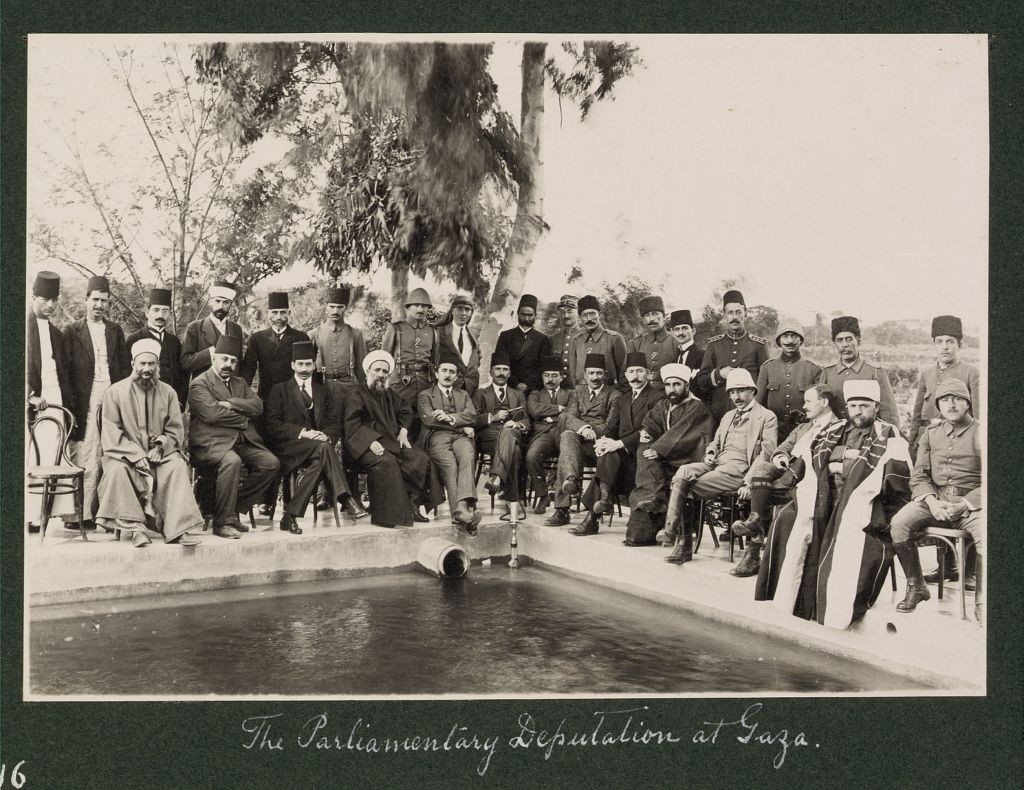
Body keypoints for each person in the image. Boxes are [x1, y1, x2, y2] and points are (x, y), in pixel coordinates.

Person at [754, 380, 911, 630]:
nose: (858, 411)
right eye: (853, 405)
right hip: (824, 495)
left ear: (876, 406)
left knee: (851, 530)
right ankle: (800, 603)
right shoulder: (833, 429)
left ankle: (833, 608)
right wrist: (846, 460)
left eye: (864, 406)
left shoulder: (888, 434)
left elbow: (893, 478)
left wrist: (841, 464)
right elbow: (808, 459)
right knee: (788, 519)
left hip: (867, 501)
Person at [655, 368, 777, 567]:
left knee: (685, 487)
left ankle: (682, 543)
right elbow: (715, 443)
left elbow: (767, 453)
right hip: (716, 465)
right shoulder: (728, 415)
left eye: (740, 391)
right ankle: (672, 531)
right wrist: (711, 452)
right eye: (731, 392)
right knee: (683, 473)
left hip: (739, 471)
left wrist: (749, 481)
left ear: (752, 391)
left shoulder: (766, 417)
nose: (735, 396)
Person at [93, 339, 204, 547]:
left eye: (151, 364)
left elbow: (175, 429)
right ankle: (137, 528)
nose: (147, 369)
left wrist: (161, 446)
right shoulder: (115, 392)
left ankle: (177, 529)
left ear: (158, 365)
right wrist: (136, 455)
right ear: (133, 363)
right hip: (124, 455)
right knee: (117, 470)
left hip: (158, 456)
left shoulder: (168, 392)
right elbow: (110, 433)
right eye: (142, 363)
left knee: (177, 466)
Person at [889, 379, 983, 622]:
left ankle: (983, 602)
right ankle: (917, 587)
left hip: (973, 503)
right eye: (944, 400)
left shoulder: (983, 432)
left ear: (967, 403)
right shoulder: (931, 434)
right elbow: (919, 474)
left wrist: (965, 504)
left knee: (987, 533)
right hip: (936, 497)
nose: (951, 405)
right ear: (938, 405)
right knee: (900, 523)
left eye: (957, 399)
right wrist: (931, 502)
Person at [907, 315, 981, 585]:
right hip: (931, 442)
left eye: (950, 341)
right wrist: (913, 442)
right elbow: (918, 412)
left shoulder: (971, 372)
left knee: (964, 491)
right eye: (940, 342)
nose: (945, 347)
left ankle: (970, 571)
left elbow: (979, 413)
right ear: (934, 344)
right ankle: (945, 567)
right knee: (936, 492)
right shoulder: (927, 373)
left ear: (959, 345)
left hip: (963, 440)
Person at [263, 341, 366, 534]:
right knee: (324, 450)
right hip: (290, 449)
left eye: (308, 364)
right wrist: (304, 433)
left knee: (320, 460)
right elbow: (273, 425)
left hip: (317, 450)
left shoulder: (323, 391)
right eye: (300, 364)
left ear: (314, 365)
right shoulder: (280, 390)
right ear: (292, 365)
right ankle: (345, 498)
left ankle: (290, 516)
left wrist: (325, 435)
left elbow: (335, 423)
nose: (304, 369)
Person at [187, 334, 280, 539]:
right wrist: (243, 419)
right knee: (232, 462)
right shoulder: (199, 384)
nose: (228, 364)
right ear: (214, 359)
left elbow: (258, 406)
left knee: (271, 463)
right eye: (224, 359)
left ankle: (234, 506)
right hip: (211, 443)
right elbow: (211, 414)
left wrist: (232, 404)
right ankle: (223, 523)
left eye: (233, 360)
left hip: (241, 441)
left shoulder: (239, 383)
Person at [62, 275, 132, 530]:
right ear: (86, 300)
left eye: (104, 301)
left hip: (111, 395)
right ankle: (79, 514)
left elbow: (124, 369)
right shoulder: (72, 331)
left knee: (110, 451)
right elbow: (65, 372)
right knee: (86, 453)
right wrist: (72, 407)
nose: (99, 305)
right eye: (95, 300)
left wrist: (122, 399)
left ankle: (108, 513)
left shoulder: (115, 331)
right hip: (85, 398)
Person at [343, 351, 443, 528]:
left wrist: (403, 430)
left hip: (389, 443)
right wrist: (369, 441)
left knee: (420, 459)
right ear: (367, 371)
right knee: (387, 462)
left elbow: (406, 410)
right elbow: (352, 425)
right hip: (363, 447)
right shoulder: (355, 394)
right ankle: (386, 516)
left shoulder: (388, 393)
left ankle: (412, 507)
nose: (381, 375)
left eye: (384, 371)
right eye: (377, 370)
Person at [570, 351, 664, 536]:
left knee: (609, 458)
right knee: (607, 454)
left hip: (642, 456)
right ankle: (603, 500)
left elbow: (649, 430)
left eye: (639, 371)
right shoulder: (624, 398)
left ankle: (594, 515)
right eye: (630, 372)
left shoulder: (657, 398)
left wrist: (618, 444)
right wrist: (603, 442)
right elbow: (611, 428)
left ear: (649, 373)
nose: (635, 377)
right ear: (626, 375)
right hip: (620, 457)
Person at [624, 363, 714, 545]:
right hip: (662, 460)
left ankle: (652, 497)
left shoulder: (697, 408)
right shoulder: (663, 405)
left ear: (687, 386)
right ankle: (650, 501)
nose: (671, 390)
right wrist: (647, 433)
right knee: (644, 447)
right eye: (668, 385)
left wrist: (658, 449)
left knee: (649, 455)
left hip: (686, 460)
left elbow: (684, 435)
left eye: (677, 385)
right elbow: (651, 422)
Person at [242, 292, 313, 515]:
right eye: (274, 312)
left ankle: (289, 503)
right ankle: (266, 501)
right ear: (268, 314)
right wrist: (246, 399)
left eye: (283, 312)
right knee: (268, 447)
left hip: (293, 400)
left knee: (289, 447)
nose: (279, 317)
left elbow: (309, 371)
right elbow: (248, 370)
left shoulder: (300, 337)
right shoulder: (257, 338)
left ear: (289, 313)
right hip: (265, 401)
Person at [543, 353, 620, 527]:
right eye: (591, 373)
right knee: (567, 435)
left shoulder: (613, 395)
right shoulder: (578, 393)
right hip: (579, 444)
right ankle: (570, 485)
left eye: (599, 373)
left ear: (605, 375)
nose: (595, 377)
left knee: (567, 444)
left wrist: (591, 430)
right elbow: (569, 416)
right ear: (585, 374)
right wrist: (584, 428)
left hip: (601, 446)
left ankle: (564, 506)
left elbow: (610, 426)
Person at [26, 271, 74, 529]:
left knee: (53, 455)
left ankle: (45, 514)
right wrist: (31, 396)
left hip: (56, 400)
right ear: (33, 297)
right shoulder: (21, 327)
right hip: (33, 403)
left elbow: (61, 371)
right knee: (34, 455)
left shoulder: (56, 333)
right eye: (45, 299)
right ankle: (30, 516)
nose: (50, 305)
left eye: (54, 299)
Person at [418, 351, 481, 534]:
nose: (448, 375)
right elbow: (429, 420)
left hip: (460, 436)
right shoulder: (425, 395)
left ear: (456, 376)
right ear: (436, 374)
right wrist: (461, 423)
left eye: (452, 372)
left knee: (468, 456)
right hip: (437, 437)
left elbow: (472, 415)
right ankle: (463, 510)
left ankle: (460, 511)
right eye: (444, 371)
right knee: (450, 465)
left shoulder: (463, 395)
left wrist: (449, 417)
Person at [693, 289, 770, 423]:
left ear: (745, 314)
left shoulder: (758, 345)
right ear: (725, 316)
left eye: (738, 312)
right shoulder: (714, 345)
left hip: (750, 413)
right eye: (730, 312)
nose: (734, 316)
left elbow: (767, 380)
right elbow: (702, 381)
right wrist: (719, 374)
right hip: (720, 412)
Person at [473, 351, 531, 518]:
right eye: (497, 369)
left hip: (513, 433)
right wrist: (492, 417)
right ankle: (512, 504)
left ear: (509, 373)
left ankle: (496, 477)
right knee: (515, 451)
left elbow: (527, 420)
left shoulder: (518, 394)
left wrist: (517, 424)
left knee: (509, 434)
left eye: (505, 369)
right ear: (490, 372)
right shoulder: (481, 393)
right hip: (489, 436)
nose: (501, 373)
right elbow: (473, 419)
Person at [821, 315, 899, 428]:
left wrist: (891, 438)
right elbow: (821, 409)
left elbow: (888, 413)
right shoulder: (827, 372)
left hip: (867, 436)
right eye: (839, 340)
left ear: (858, 342)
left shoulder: (874, 371)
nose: (844, 345)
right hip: (834, 436)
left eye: (849, 339)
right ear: (835, 344)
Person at [382, 287, 437, 440]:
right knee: (398, 420)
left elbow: (435, 359)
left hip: (425, 382)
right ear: (408, 307)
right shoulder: (396, 328)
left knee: (422, 423)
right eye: (416, 305)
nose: (420, 309)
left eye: (424, 305)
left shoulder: (432, 332)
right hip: (401, 382)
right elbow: (384, 359)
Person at [755, 321, 824, 442]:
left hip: (804, 431)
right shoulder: (767, 368)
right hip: (773, 430)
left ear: (801, 340)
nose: (790, 341)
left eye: (794, 336)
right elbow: (758, 405)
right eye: (785, 336)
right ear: (778, 340)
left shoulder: (814, 369)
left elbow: (820, 406)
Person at [524, 355, 574, 514]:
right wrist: (559, 409)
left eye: (554, 375)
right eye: (546, 375)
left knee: (568, 458)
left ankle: (564, 502)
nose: (550, 379)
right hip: (543, 434)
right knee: (531, 456)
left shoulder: (571, 393)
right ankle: (543, 495)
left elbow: (571, 411)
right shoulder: (535, 394)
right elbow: (533, 410)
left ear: (561, 377)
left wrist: (546, 414)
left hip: (564, 433)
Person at [126, 287, 188, 411]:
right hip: (141, 404)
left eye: (165, 311)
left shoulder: (174, 342)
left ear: (170, 313)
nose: (160, 315)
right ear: (147, 312)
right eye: (156, 310)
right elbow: (126, 375)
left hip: (170, 404)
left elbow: (183, 376)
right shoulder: (134, 339)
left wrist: (179, 401)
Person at [180, 279, 245, 379]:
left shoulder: (236, 329)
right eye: (217, 301)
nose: (220, 306)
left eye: (226, 303)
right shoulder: (194, 328)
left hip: (230, 389)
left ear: (231, 304)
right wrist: (210, 354)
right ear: (211, 301)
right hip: (204, 388)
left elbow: (239, 363)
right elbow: (185, 363)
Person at [309, 286, 368, 389]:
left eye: (340, 307)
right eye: (331, 307)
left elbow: (361, 368)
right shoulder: (314, 334)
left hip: (349, 388)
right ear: (326, 307)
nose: (335, 311)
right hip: (322, 387)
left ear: (346, 307)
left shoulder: (355, 334)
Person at [494, 293, 552, 394]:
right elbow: (500, 363)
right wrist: (515, 384)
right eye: (523, 314)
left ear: (535, 316)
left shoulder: (543, 339)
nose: (526, 319)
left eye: (530, 315)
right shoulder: (505, 336)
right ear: (518, 314)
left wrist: (528, 385)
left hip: (533, 389)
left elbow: (543, 368)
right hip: (509, 387)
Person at [567, 295, 627, 388]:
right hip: (582, 394)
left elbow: (624, 373)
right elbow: (573, 374)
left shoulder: (614, 338)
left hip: (609, 393)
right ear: (579, 318)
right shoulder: (576, 341)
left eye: (592, 314)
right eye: (585, 315)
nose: (589, 319)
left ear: (599, 315)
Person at [624, 296, 676, 392]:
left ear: (664, 316)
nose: (651, 319)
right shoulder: (635, 344)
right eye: (647, 315)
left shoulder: (675, 342)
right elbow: (626, 377)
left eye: (655, 314)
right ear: (643, 320)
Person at [436, 294, 482, 396]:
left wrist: (472, 371)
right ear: (452, 311)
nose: (464, 313)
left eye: (467, 310)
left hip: (471, 385)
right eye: (460, 309)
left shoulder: (474, 333)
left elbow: (478, 356)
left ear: (471, 313)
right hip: (448, 384)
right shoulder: (441, 332)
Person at [548, 294, 580, 390]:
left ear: (578, 312)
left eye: (570, 311)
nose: (566, 316)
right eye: (562, 312)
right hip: (559, 391)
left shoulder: (586, 336)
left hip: (580, 391)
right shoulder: (553, 339)